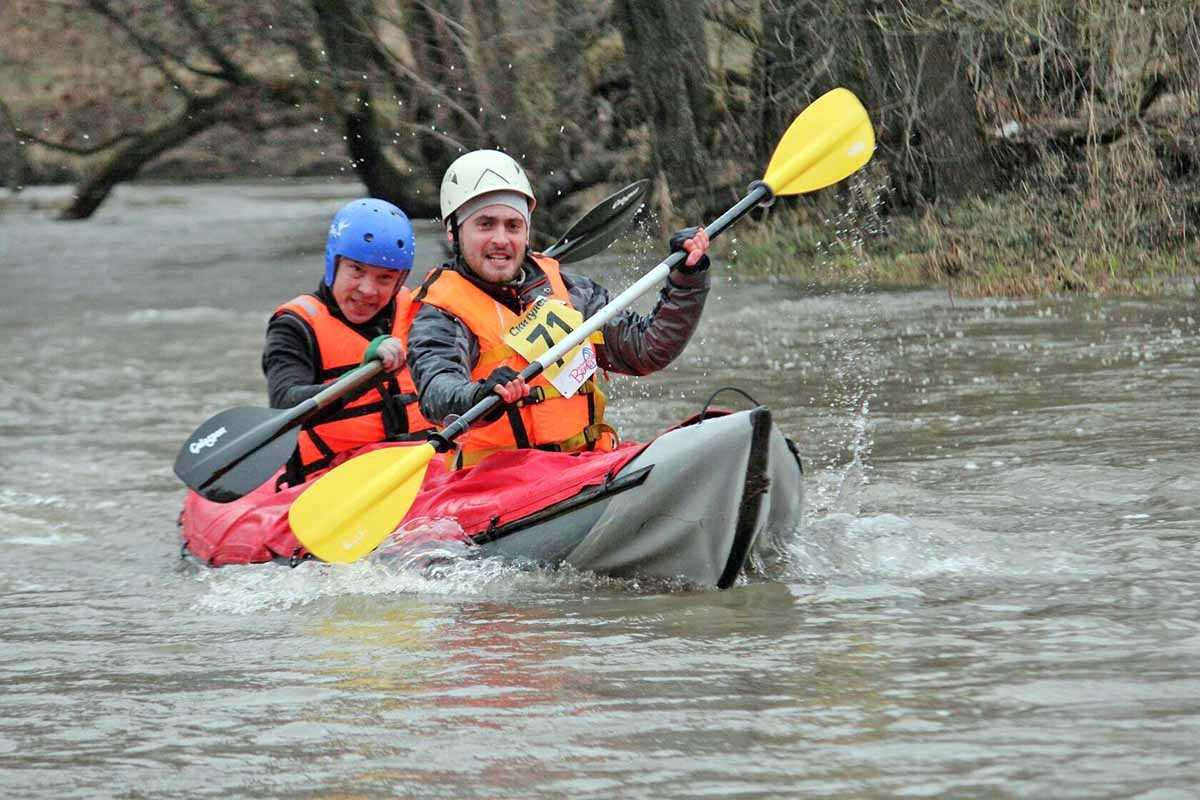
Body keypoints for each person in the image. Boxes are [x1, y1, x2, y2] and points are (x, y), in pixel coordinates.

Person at [406, 149, 712, 469]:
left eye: (513, 226)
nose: (501, 239)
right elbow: (436, 392)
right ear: (453, 231)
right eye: (485, 225)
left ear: (526, 232)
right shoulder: (440, 313)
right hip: (495, 481)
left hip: (584, 463)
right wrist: (478, 396)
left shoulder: (569, 290)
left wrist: (687, 278)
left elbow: (646, 349)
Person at [263, 197, 434, 486]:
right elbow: (285, 405)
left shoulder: (421, 313)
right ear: (334, 263)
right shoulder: (295, 326)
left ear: (399, 280)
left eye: (384, 277)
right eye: (356, 270)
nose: (367, 289)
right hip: (334, 482)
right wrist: (363, 377)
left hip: (422, 469)